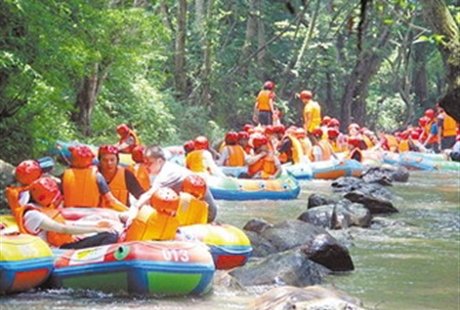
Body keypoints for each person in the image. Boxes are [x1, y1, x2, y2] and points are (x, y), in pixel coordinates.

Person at [13, 177, 120, 249]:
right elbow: (62, 229)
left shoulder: (41, 210)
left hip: (64, 243)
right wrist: (96, 229)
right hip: (59, 251)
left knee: (101, 226)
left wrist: (95, 225)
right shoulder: (33, 215)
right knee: (110, 236)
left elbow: (64, 226)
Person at [126, 144, 218, 223]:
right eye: (144, 163)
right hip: (195, 210)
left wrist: (135, 208)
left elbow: (149, 195)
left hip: (207, 214)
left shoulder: (167, 173)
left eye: (149, 163)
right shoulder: (165, 169)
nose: (146, 167)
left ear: (160, 161)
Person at [61, 145, 128, 212]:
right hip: (91, 213)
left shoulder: (65, 175)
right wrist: (128, 211)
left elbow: (59, 198)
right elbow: (111, 201)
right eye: (104, 160)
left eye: (112, 160)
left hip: (69, 212)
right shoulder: (97, 176)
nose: (109, 163)